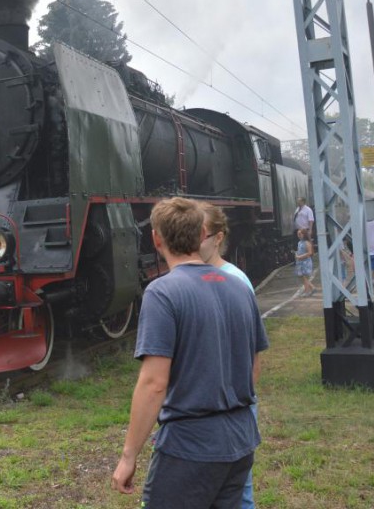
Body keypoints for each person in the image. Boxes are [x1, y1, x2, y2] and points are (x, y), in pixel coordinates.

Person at [112, 197, 268, 508]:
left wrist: (129, 456)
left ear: (156, 238)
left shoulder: (162, 292)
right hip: (239, 440)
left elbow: (154, 383)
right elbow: (253, 366)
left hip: (191, 446)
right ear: (202, 236)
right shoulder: (239, 287)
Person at [199, 204, 257, 509]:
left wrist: (240, 399)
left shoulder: (236, 281)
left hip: (233, 405)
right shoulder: (192, 279)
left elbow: (252, 352)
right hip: (205, 409)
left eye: (200, 234)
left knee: (239, 494)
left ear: (218, 237)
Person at [295, 228, 315, 296]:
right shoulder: (299, 243)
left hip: (305, 262)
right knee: (302, 277)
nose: (298, 235)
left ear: (304, 234)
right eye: (298, 234)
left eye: (300, 234)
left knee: (304, 277)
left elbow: (309, 253)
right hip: (300, 262)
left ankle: (307, 291)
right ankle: (311, 288)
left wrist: (300, 257)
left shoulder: (307, 243)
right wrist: (297, 254)